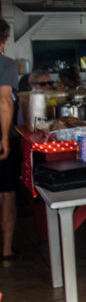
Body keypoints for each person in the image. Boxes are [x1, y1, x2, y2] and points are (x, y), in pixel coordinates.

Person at [0, 18, 19, 263]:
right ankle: (5, 252)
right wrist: (4, 137)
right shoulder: (6, 64)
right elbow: (4, 100)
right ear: (4, 40)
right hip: (1, 137)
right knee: (6, 194)